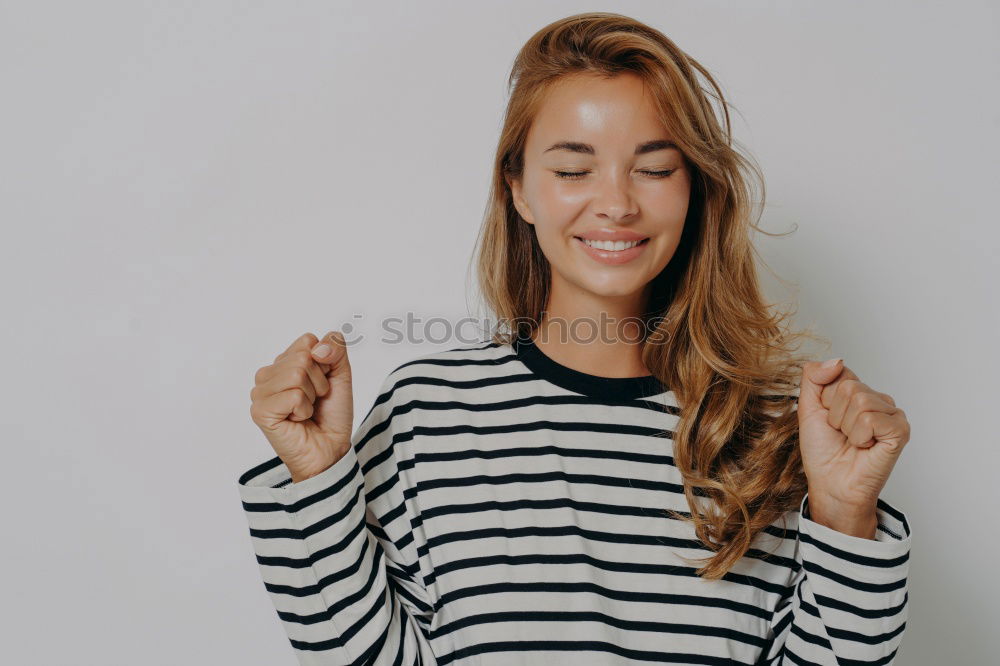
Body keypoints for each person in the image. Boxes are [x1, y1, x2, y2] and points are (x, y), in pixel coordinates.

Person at [238, 12, 911, 665]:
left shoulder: (772, 429)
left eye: (653, 168)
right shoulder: (428, 412)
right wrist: (318, 476)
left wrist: (845, 513)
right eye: (572, 169)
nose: (617, 203)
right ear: (520, 191)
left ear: (696, 190)